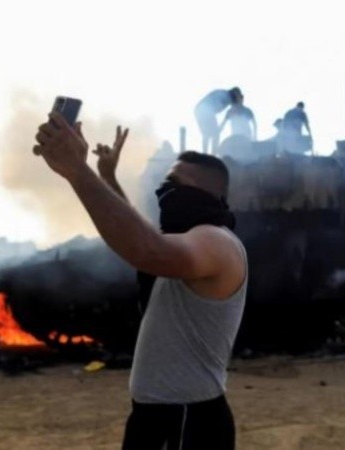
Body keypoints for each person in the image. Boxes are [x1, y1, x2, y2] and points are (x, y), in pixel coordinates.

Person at [35, 112, 247, 450]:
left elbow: (146, 249)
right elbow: (138, 233)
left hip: (186, 420)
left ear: (208, 192)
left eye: (174, 182)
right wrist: (107, 176)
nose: (165, 190)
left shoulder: (217, 242)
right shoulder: (188, 241)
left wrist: (77, 170)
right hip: (158, 415)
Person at [194, 87, 243, 154]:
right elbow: (219, 109)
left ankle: (206, 153)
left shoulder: (224, 94)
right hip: (206, 110)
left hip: (199, 109)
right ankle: (212, 154)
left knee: (207, 134)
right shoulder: (226, 97)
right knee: (214, 134)